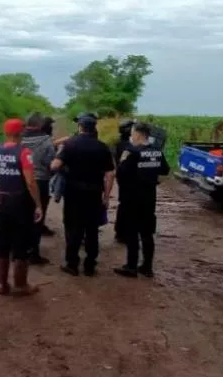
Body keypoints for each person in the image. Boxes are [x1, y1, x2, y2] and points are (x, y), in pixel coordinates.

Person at [50, 116, 114, 277]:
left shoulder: (69, 144)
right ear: (94, 128)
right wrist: (106, 197)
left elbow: (55, 166)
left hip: (74, 193)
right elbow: (110, 174)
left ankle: (72, 264)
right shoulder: (103, 147)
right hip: (94, 193)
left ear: (80, 127)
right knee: (92, 229)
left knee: (73, 227)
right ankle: (90, 265)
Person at [0, 118, 42, 296]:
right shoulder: (24, 153)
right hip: (20, 203)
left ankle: (2, 285)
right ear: (21, 132)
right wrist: (38, 204)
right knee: (21, 244)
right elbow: (31, 182)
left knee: (2, 244)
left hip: (2, 202)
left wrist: (4, 181)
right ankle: (20, 284)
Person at [113, 122, 170, 279]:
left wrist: (123, 162)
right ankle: (147, 267)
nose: (131, 136)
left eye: (132, 133)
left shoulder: (131, 152)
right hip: (149, 198)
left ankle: (131, 266)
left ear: (138, 134)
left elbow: (120, 173)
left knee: (132, 232)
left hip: (132, 198)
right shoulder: (157, 152)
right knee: (147, 233)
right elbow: (165, 170)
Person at [21, 112, 57, 265]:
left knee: (22, 216)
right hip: (40, 181)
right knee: (37, 216)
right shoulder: (46, 141)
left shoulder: (19, 139)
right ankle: (33, 253)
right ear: (40, 125)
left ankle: (20, 249)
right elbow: (50, 163)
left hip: (21, 180)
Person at [113, 118, 136, 243]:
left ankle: (120, 231)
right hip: (127, 178)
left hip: (123, 177)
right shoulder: (127, 146)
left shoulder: (121, 143)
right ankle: (122, 232)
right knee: (127, 205)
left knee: (124, 204)